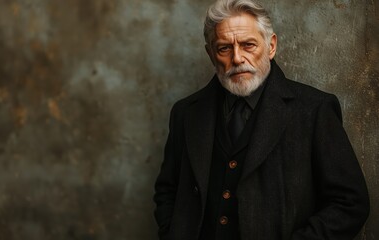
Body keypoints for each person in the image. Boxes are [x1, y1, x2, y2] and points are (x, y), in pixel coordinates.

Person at [153, 0, 370, 239]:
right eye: (224, 48)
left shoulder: (314, 109)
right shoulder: (185, 113)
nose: (237, 58)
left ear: (271, 46)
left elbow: (350, 204)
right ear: (211, 54)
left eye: (248, 45)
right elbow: (167, 191)